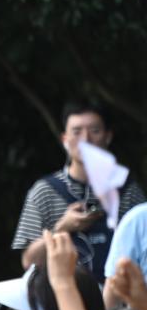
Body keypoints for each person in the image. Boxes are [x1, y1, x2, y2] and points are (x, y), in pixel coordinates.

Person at [11, 100, 145, 282]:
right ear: (65, 139)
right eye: (76, 132)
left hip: (121, 302)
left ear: (108, 136)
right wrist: (62, 228)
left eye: (94, 131)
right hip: (63, 301)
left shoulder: (126, 188)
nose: (85, 139)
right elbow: (29, 262)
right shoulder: (45, 191)